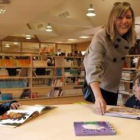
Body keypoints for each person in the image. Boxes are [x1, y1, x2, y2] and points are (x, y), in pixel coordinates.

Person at [83, 2, 136, 115]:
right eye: (120, 17)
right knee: (100, 114)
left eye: (128, 17)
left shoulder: (130, 36)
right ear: (112, 19)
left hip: (113, 83)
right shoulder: (101, 36)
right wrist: (98, 97)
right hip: (98, 83)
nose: (125, 21)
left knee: (110, 115)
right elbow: (93, 67)